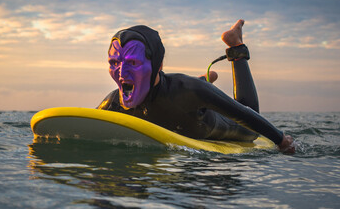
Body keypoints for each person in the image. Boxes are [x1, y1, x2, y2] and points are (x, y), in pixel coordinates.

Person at [97, 20, 295, 153]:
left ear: (158, 65)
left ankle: (236, 46)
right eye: (114, 63)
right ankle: (204, 81)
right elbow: (85, 124)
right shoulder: (114, 102)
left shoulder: (186, 91)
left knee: (249, 119)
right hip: (191, 104)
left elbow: (243, 113)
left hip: (224, 125)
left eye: (132, 63)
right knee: (197, 90)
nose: (121, 73)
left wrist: (281, 140)